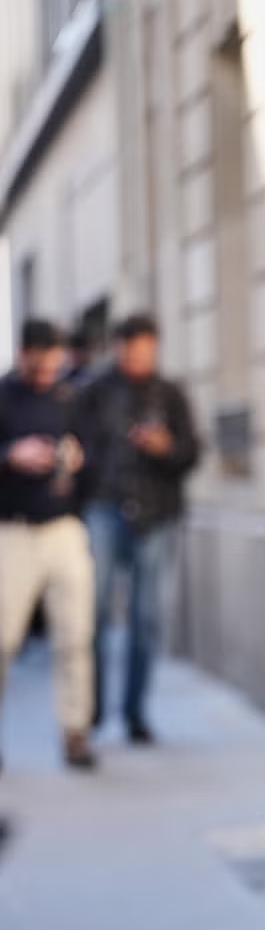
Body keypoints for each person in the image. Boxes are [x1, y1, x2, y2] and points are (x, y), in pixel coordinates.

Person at [74, 314, 199, 743]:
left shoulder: (170, 393)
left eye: (147, 350)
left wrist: (166, 447)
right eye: (133, 350)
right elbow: (77, 450)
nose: (140, 358)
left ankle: (134, 712)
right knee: (92, 613)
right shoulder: (93, 392)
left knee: (146, 618)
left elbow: (191, 452)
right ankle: (90, 709)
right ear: (119, 348)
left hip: (155, 515)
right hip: (104, 509)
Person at [0, 318, 96, 769]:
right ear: (23, 355)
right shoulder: (4, 395)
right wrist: (11, 455)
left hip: (64, 528)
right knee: (3, 640)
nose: (47, 375)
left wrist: (77, 458)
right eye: (40, 366)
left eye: (53, 366)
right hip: (13, 531)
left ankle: (75, 733)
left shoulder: (70, 397)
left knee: (75, 636)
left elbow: (95, 454)